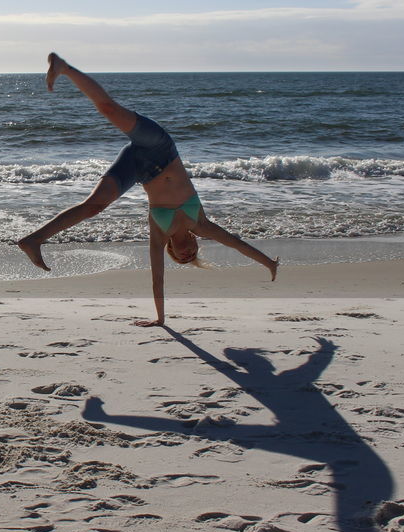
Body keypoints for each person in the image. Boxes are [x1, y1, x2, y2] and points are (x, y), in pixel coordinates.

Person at [18, 53, 278, 327]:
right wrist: (268, 263)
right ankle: (64, 68)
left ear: (172, 252)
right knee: (110, 109)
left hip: (138, 167)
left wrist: (160, 319)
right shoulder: (201, 223)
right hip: (161, 148)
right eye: (193, 255)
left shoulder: (158, 232)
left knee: (95, 205)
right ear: (196, 244)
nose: (188, 255)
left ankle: (33, 240)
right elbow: (238, 245)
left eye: (182, 258)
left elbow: (157, 278)